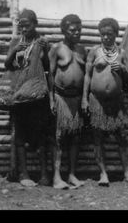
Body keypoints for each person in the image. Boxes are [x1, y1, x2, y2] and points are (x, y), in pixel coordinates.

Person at [82, 18, 128, 187]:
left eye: (109, 34)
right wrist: (84, 99)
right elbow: (87, 76)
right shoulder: (94, 52)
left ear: (116, 34)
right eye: (103, 35)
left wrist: (122, 69)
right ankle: (103, 174)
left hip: (116, 102)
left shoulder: (122, 53)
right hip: (97, 101)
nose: (106, 38)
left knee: (122, 137)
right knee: (98, 137)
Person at [4, 9, 51, 187]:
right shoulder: (16, 41)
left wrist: (45, 52)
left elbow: (48, 67)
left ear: (35, 23)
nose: (24, 28)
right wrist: (16, 50)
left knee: (41, 134)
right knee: (21, 134)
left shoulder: (42, 42)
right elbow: (7, 65)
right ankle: (24, 174)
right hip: (20, 93)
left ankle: (45, 175)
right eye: (21, 25)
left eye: (27, 25)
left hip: (38, 94)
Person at [48, 14, 86, 189]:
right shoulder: (56, 49)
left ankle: (71, 174)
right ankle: (56, 177)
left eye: (79, 29)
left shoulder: (81, 50)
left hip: (77, 99)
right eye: (72, 30)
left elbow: (87, 76)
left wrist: (85, 98)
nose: (76, 32)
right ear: (64, 31)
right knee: (59, 138)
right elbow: (50, 75)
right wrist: (51, 99)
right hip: (61, 98)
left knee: (76, 138)